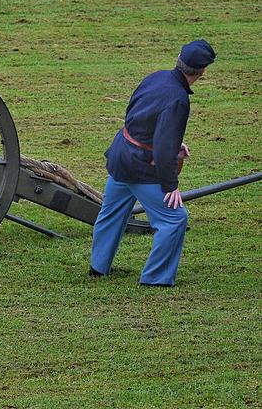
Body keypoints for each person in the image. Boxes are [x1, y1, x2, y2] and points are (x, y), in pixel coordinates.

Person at [90, 39, 216, 287]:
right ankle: (155, 279)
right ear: (202, 72)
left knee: (112, 212)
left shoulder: (155, 77)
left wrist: (164, 143)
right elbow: (163, 146)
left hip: (120, 154)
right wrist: (171, 186)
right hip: (141, 166)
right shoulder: (179, 99)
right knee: (174, 219)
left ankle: (98, 267)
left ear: (179, 58)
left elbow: (136, 113)